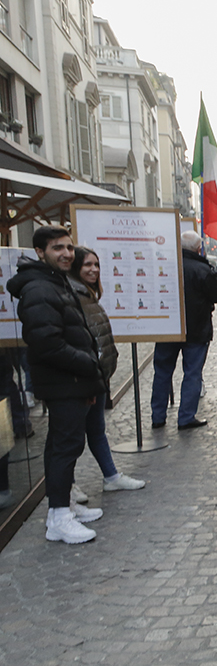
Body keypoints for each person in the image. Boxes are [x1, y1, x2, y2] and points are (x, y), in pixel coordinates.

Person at [9, 226, 105, 543]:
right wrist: (88, 365)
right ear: (40, 252)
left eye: (68, 247)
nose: (66, 254)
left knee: (62, 445)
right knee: (65, 447)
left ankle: (59, 510)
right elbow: (47, 344)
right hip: (64, 381)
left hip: (71, 381)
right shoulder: (40, 288)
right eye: (57, 248)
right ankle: (60, 517)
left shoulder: (56, 282)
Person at [68, 247, 145, 500]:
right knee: (72, 437)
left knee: (96, 429)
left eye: (96, 264)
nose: (94, 269)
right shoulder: (72, 295)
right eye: (87, 265)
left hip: (97, 376)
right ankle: (66, 486)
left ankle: (111, 476)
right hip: (84, 378)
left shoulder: (88, 295)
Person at [150, 230, 217, 430]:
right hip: (197, 329)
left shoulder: (165, 266)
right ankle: (185, 417)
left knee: (162, 372)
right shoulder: (202, 269)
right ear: (198, 249)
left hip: (167, 327)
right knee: (192, 373)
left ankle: (157, 416)